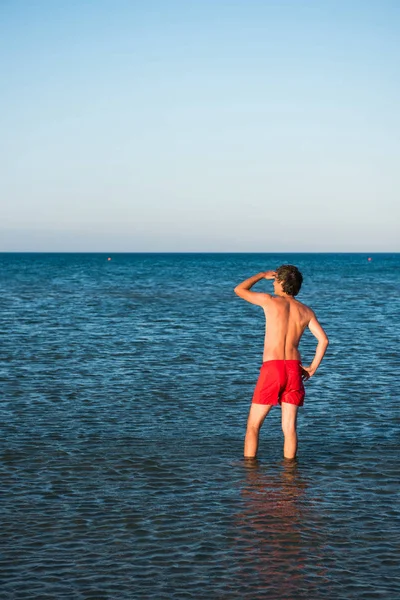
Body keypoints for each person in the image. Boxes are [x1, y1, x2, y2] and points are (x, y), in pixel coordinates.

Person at [234, 265, 328, 460]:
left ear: (282, 283)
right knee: (289, 428)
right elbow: (323, 340)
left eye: (276, 281)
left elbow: (239, 290)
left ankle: (250, 472)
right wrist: (312, 368)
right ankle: (290, 475)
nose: (273, 284)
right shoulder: (306, 311)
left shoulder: (270, 301)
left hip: (273, 368)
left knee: (253, 425)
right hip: (294, 369)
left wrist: (261, 275)